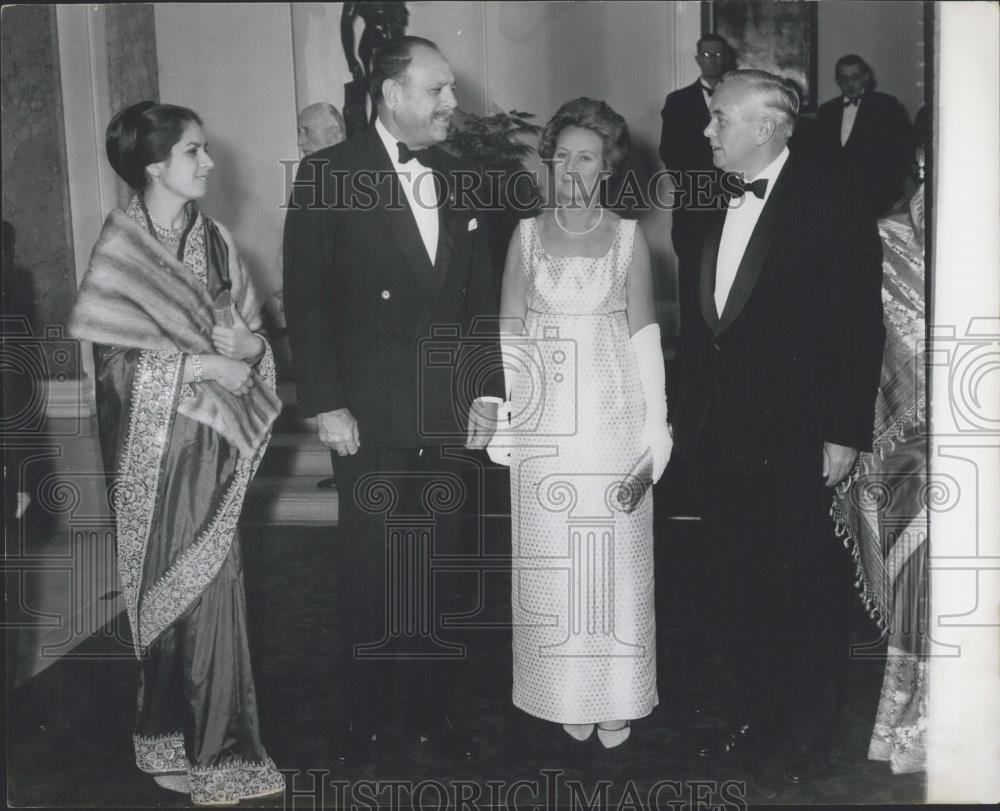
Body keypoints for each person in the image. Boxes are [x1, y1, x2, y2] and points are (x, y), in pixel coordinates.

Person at [282, 36, 502, 767]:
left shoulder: (462, 177)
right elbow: (307, 303)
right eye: (437, 90)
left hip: (446, 409)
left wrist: (485, 390)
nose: (451, 103)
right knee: (373, 567)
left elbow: (478, 307)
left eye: (450, 89)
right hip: (368, 413)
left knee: (439, 566)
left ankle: (432, 713)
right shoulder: (326, 176)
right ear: (391, 94)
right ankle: (367, 717)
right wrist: (325, 401)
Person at [668, 70, 885, 782]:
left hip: (795, 434)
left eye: (719, 119)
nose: (707, 132)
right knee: (737, 580)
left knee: (803, 583)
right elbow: (703, 326)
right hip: (719, 432)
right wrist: (685, 416)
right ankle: (757, 715)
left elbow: (859, 325)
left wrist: (844, 431)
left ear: (766, 126)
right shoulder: (706, 198)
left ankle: (810, 733)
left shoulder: (830, 196)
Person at [67, 101, 284, 806]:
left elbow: (252, 337)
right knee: (163, 596)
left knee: (216, 591)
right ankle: (164, 734)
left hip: (213, 443)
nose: (210, 163)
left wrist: (248, 352)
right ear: (155, 165)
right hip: (152, 450)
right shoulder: (122, 248)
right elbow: (113, 369)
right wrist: (200, 369)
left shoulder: (217, 241)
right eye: (194, 151)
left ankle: (221, 752)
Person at [490, 97, 671, 749]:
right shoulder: (526, 233)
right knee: (555, 560)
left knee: (615, 562)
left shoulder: (629, 238)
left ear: (607, 167)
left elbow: (645, 331)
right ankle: (564, 688)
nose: (570, 166)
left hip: (614, 418)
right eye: (561, 154)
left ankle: (617, 694)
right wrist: (511, 412)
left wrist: (659, 426)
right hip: (546, 425)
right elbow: (509, 326)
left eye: (585, 156)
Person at [832, 111, 930, 774]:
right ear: (923, 160)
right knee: (927, 582)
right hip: (907, 451)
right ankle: (924, 727)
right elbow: (856, 351)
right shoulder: (883, 240)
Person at [658, 33, 734, 395]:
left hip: (734, 205)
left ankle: (726, 367)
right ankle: (691, 373)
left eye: (719, 54)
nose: (714, 59)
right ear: (698, 57)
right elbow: (670, 152)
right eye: (708, 53)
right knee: (692, 287)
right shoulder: (678, 102)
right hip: (694, 208)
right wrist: (707, 180)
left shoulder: (736, 95)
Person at [812, 54, 911, 221]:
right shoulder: (826, 111)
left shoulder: (887, 106)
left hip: (876, 200)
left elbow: (899, 153)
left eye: (855, 77)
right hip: (836, 201)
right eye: (844, 79)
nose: (850, 84)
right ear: (837, 80)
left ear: (866, 77)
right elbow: (818, 156)